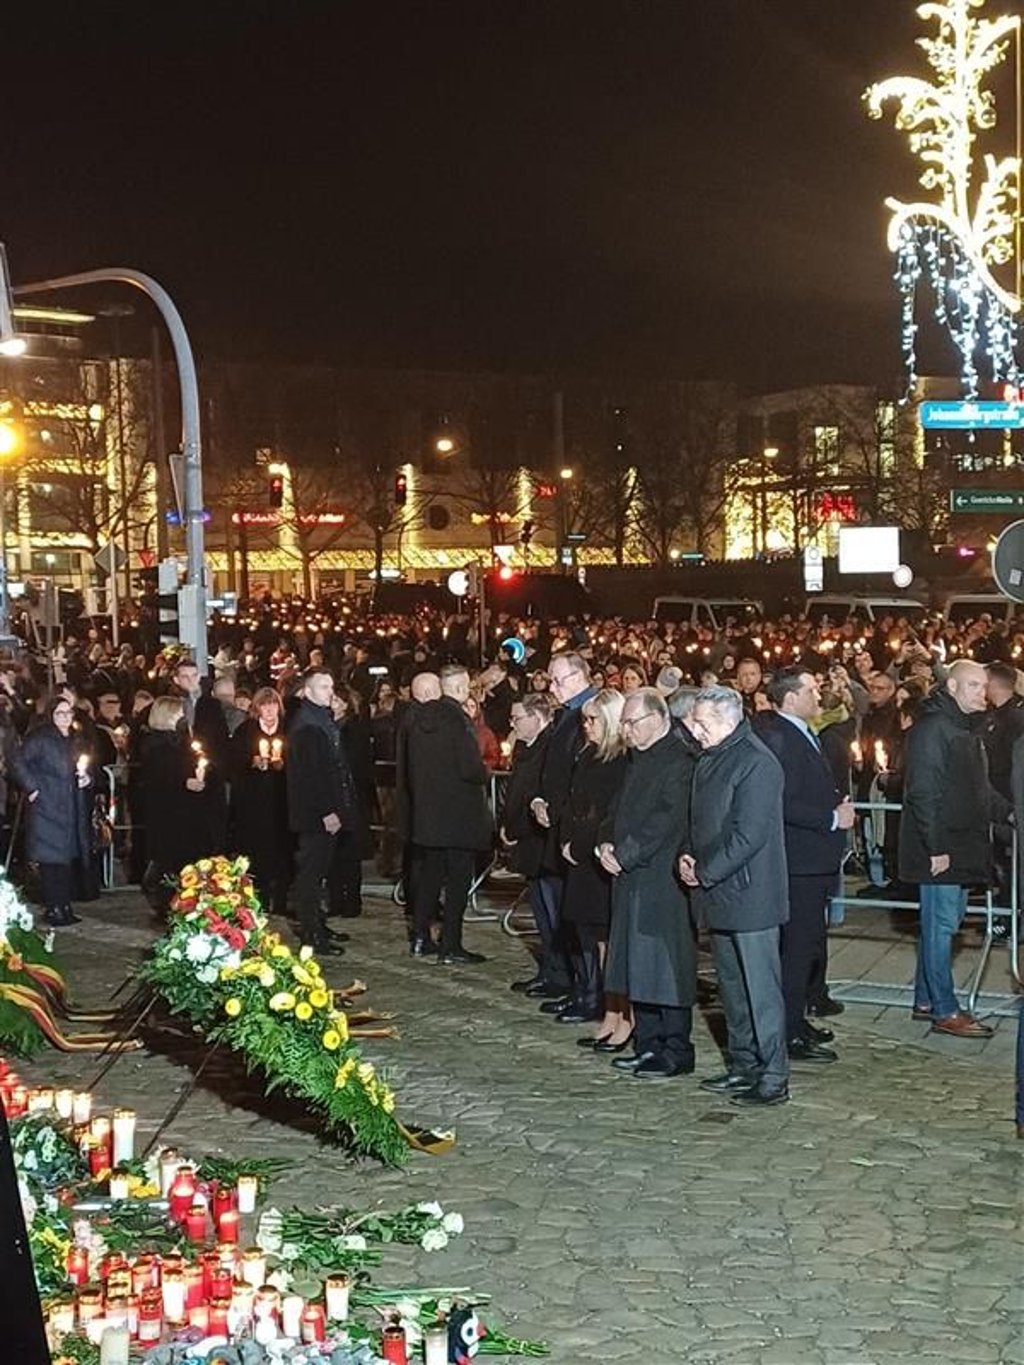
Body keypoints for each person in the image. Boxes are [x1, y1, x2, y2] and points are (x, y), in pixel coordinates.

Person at [680, 685, 790, 1107]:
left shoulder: (757, 764)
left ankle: (773, 1074)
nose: (695, 731)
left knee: (761, 991)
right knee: (732, 988)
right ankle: (743, 1064)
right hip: (719, 890)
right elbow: (699, 819)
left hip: (751, 895)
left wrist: (704, 870)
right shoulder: (712, 757)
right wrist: (688, 856)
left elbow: (748, 834)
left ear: (728, 721)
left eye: (702, 723)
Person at [899, 659, 1008, 1038]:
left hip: (960, 845)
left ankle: (927, 998)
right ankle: (944, 1009)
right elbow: (923, 791)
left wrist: (1009, 814)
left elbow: (977, 787)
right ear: (953, 689)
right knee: (940, 925)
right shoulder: (933, 729)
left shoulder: (963, 727)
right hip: (942, 848)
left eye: (984, 685)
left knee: (944, 923)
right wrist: (936, 847)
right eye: (974, 686)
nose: (983, 692)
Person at [754, 668, 854, 1064]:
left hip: (815, 859)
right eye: (812, 689)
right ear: (791, 698)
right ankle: (789, 1030)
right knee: (796, 949)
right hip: (799, 860)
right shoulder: (780, 736)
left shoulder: (802, 731)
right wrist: (831, 818)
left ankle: (796, 1018)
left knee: (808, 944)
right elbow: (780, 800)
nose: (820, 694)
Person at [598, 687, 697, 1080]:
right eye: (623, 723)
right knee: (637, 963)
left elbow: (666, 819)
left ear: (658, 719)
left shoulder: (679, 760)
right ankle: (648, 1042)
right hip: (631, 874)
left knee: (665, 965)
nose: (626, 730)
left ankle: (676, 1048)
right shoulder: (637, 760)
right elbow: (617, 807)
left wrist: (626, 853)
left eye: (631, 722)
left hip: (662, 878)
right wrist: (606, 842)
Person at [406, 664, 493, 964]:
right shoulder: (458, 721)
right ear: (458, 688)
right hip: (459, 815)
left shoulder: (419, 720)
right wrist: (486, 772)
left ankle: (420, 936)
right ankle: (450, 944)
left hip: (430, 813)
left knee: (430, 876)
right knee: (457, 881)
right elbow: (470, 767)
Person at [528, 652, 597, 1004]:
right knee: (560, 911)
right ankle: (572, 984)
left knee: (578, 917)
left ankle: (586, 989)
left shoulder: (589, 713)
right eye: (551, 680)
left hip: (575, 825)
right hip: (555, 820)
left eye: (559, 680)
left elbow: (582, 776)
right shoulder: (564, 714)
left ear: (581, 675)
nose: (552, 687)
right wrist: (541, 800)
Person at [557, 689, 628, 1027]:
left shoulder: (618, 763)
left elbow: (605, 813)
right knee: (588, 933)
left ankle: (607, 1002)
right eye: (584, 719)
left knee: (604, 935)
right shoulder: (588, 756)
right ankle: (593, 993)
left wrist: (582, 844)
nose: (586, 726)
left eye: (593, 719)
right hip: (581, 857)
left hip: (598, 857)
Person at [286, 668, 360, 955]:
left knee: (319, 872)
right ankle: (311, 933)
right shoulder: (307, 725)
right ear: (307, 691)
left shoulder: (320, 720)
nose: (330, 691)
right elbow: (311, 776)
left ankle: (317, 923)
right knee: (311, 875)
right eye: (322, 686)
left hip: (325, 811)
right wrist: (328, 811)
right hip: (315, 816)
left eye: (331, 686)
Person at [10, 696, 93, 927]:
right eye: (60, 713)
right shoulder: (40, 738)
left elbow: (84, 765)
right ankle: (54, 906)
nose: (65, 718)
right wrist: (32, 787)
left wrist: (87, 778)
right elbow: (17, 761)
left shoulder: (75, 739)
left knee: (65, 860)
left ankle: (64, 904)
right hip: (48, 804)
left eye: (68, 713)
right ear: (51, 715)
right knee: (51, 861)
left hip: (70, 805)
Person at [135, 696, 220, 913]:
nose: (181, 718)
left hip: (185, 811)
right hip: (168, 812)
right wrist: (184, 781)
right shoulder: (156, 745)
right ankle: (165, 901)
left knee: (182, 857)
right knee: (168, 858)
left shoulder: (179, 742)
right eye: (177, 714)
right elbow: (158, 778)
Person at [501, 693, 555, 992]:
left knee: (551, 913)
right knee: (540, 912)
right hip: (525, 839)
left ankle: (556, 973)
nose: (513, 724)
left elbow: (535, 792)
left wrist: (517, 827)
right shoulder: (525, 748)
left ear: (537, 716)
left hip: (539, 841)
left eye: (517, 718)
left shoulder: (548, 748)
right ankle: (549, 970)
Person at [229, 686, 292, 917]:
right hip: (254, 803)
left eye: (273, 704)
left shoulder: (287, 730)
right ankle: (259, 898)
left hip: (282, 800)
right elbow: (234, 762)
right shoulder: (246, 731)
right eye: (264, 705)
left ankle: (283, 899)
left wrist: (284, 765)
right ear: (257, 708)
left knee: (283, 851)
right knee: (257, 851)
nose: (269, 710)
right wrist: (251, 762)